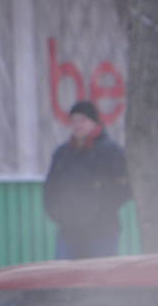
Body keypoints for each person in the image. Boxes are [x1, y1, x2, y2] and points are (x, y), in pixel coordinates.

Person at [42, 99, 131, 259]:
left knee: (100, 279)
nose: (77, 125)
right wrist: (57, 213)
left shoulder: (110, 151)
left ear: (94, 122)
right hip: (69, 231)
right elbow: (50, 189)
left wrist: (101, 209)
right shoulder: (63, 153)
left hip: (102, 230)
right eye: (73, 121)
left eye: (82, 120)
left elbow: (125, 188)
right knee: (65, 278)